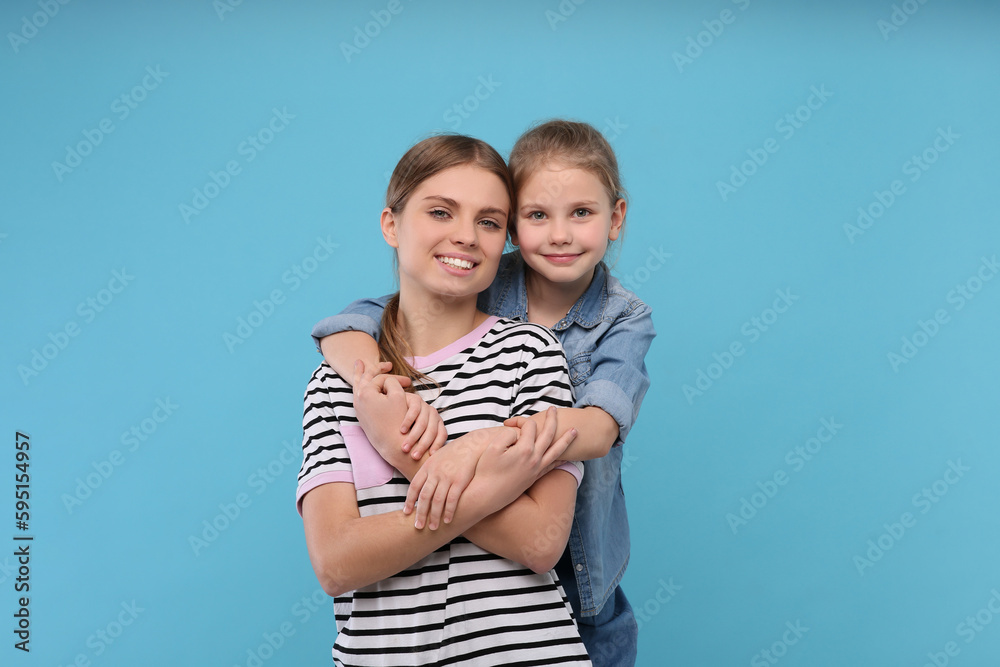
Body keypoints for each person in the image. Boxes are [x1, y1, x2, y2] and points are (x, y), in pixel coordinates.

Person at [312, 119, 655, 666]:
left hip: (580, 582)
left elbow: (595, 428)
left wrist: (437, 448)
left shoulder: (612, 322)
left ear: (616, 218)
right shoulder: (468, 277)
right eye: (538, 215)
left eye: (582, 213)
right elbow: (358, 320)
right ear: (518, 228)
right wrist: (369, 386)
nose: (560, 234)